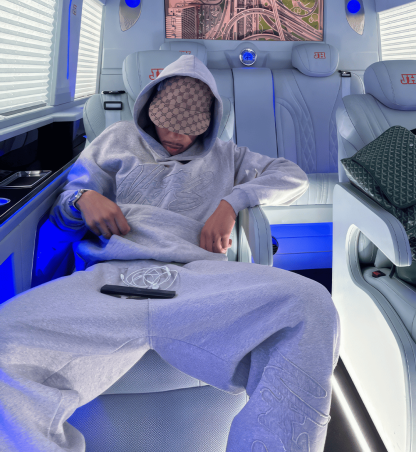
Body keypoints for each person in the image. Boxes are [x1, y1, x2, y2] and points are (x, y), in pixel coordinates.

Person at [0, 55, 340, 452]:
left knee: (311, 303)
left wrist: (231, 203)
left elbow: (292, 176)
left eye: (190, 129)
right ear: (150, 109)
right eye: (167, 123)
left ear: (209, 123)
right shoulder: (117, 138)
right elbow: (65, 204)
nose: (176, 136)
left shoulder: (227, 155)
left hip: (197, 280)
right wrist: (83, 198)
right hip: (109, 279)